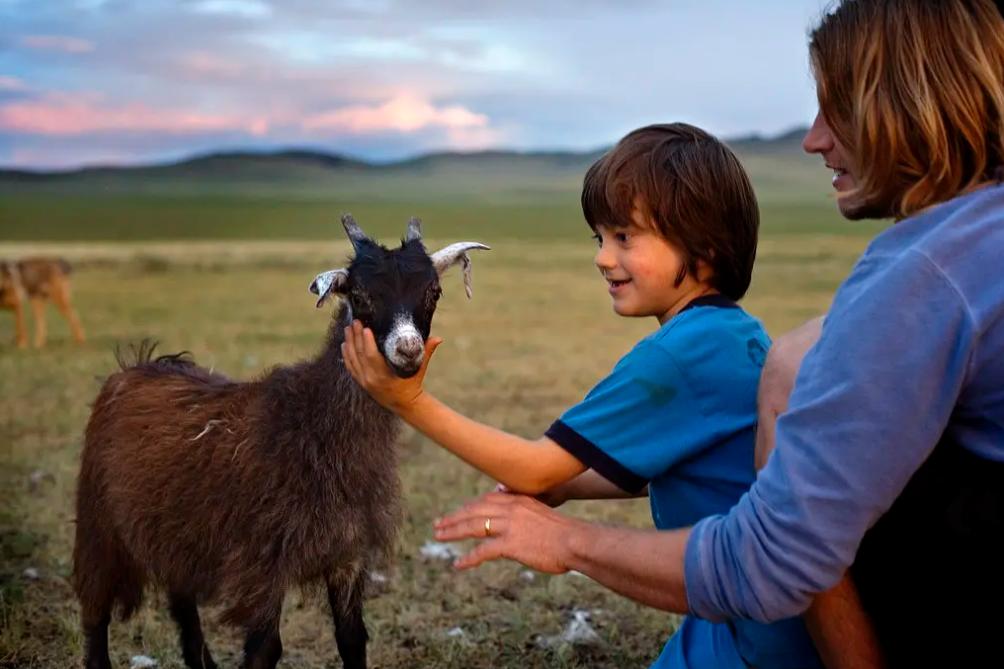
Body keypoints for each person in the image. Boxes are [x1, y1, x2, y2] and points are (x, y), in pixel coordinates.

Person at [432, 0, 1004, 667]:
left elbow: (772, 562)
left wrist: (564, 538)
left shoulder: (927, 274)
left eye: (836, 109)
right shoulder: (959, 251)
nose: (813, 139)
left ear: (906, 107)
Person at [342, 123, 826, 667]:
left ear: (704, 247)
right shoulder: (738, 334)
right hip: (776, 618)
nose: (602, 257)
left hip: (751, 638)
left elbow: (533, 467)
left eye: (625, 237)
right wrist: (569, 489)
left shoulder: (676, 356)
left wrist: (407, 400)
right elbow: (693, 468)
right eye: (601, 238)